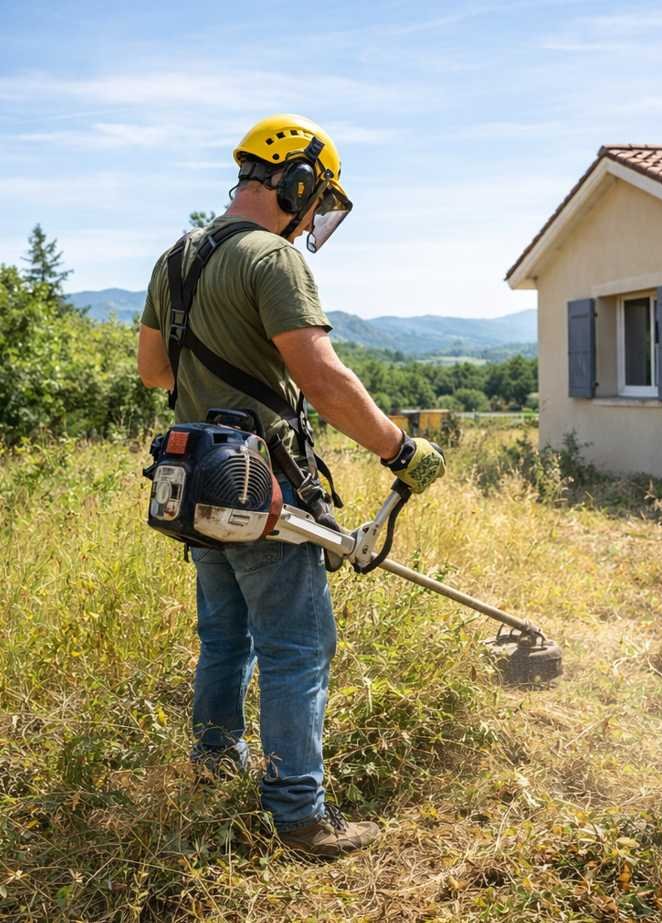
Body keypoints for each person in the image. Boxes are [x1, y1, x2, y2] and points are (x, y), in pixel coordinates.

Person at [137, 114, 445, 857]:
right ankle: (300, 815)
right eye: (317, 199)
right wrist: (398, 446)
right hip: (259, 486)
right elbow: (322, 377)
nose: (313, 218)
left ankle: (215, 771)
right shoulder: (273, 260)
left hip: (194, 477)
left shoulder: (176, 257)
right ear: (296, 179)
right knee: (297, 647)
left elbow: (154, 372)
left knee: (224, 637)